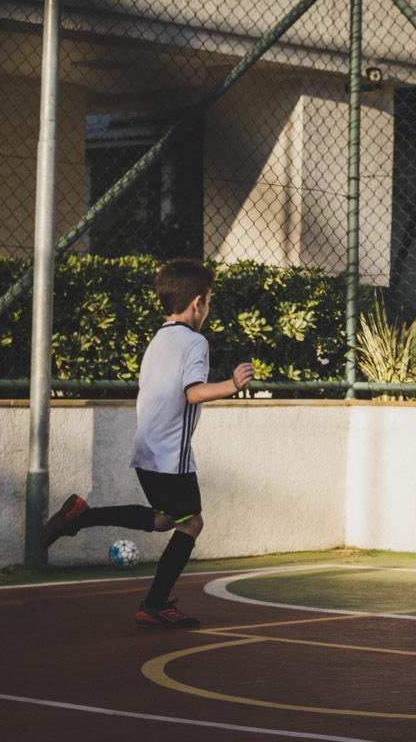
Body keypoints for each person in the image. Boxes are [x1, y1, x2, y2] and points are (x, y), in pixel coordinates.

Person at [40, 259, 254, 628]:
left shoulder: (159, 338)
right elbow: (193, 393)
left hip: (147, 450)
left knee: (165, 520)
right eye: (209, 303)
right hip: (172, 457)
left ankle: (81, 515)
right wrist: (233, 384)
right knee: (192, 524)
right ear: (198, 303)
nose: (207, 309)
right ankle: (154, 604)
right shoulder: (195, 341)